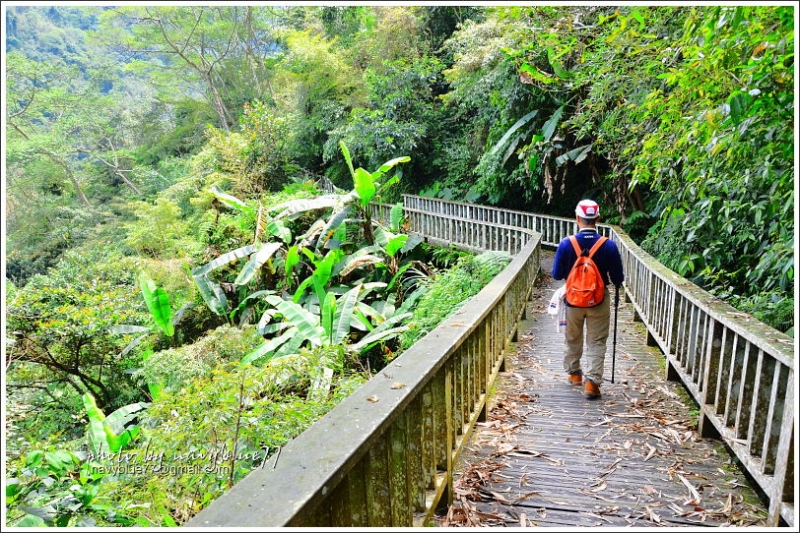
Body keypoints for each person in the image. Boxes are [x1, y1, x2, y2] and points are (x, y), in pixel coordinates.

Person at [551, 199, 624, 399]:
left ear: (577, 218)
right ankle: (592, 383)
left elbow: (557, 274)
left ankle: (574, 374)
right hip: (598, 300)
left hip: (573, 300)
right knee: (597, 341)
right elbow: (618, 278)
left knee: (572, 337)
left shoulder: (567, 244)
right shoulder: (608, 245)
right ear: (598, 219)